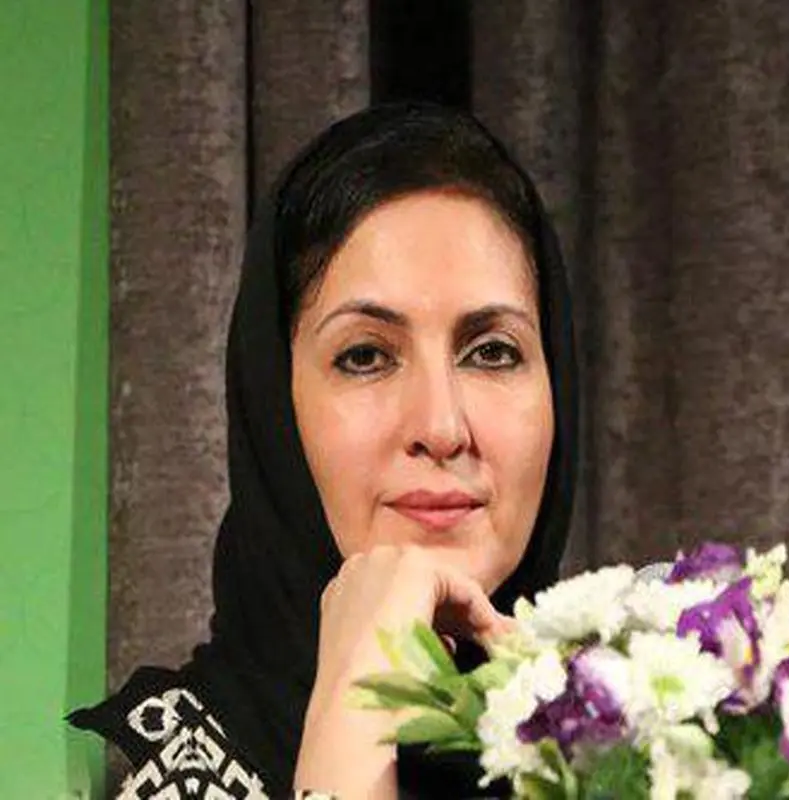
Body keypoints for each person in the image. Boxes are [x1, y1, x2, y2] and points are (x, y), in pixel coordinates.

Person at [68, 102, 579, 799]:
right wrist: (352, 713)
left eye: (492, 352)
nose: (441, 427)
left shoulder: (660, 754)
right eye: (366, 356)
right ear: (275, 405)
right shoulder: (166, 783)